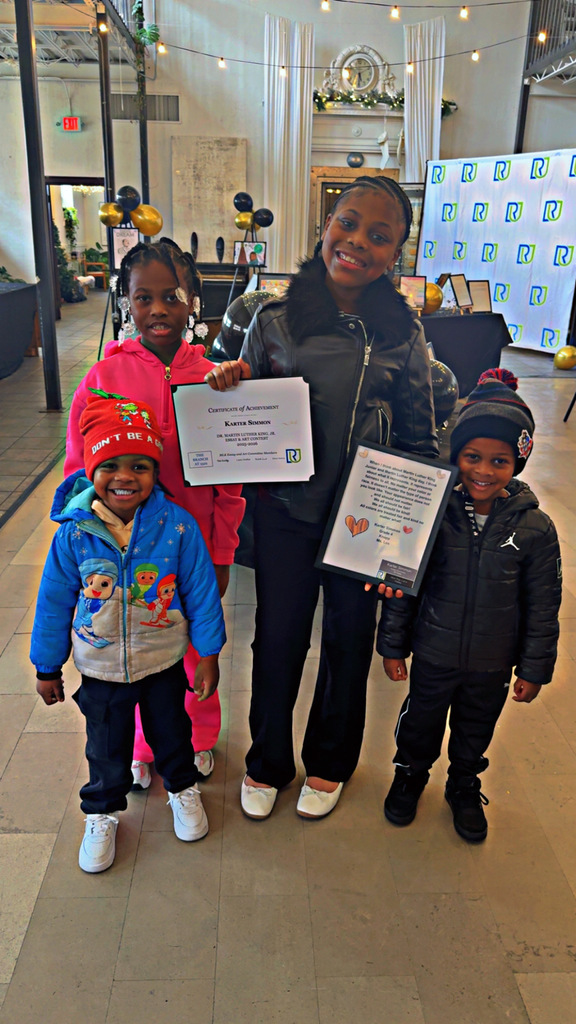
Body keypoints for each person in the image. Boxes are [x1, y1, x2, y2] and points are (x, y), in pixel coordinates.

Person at [207, 175, 438, 820]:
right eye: (348, 222)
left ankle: (331, 761)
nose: (357, 241)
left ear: (396, 255)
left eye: (379, 235)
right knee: (276, 638)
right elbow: (237, 409)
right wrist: (230, 380)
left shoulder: (402, 335)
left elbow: (419, 439)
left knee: (346, 642)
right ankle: (267, 761)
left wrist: (405, 541)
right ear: (326, 223)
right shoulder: (272, 318)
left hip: (363, 523)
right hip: (284, 514)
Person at [65, 240, 245, 788]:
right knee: (137, 642)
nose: (158, 309)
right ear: (127, 304)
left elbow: (230, 484)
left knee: (195, 644)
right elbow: (78, 471)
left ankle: (198, 738)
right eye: (144, 298)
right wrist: (86, 546)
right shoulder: (103, 378)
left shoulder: (215, 377)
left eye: (171, 297)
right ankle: (145, 746)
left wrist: (222, 551)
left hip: (190, 548)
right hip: (122, 549)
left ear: (193, 302)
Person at [31, 394, 226, 873]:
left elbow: (200, 592)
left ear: (155, 473)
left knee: (173, 732)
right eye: (110, 465)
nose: (125, 477)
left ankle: (181, 789)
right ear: (91, 470)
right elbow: (54, 603)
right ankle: (101, 812)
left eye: (140, 466)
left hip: (162, 661)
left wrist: (208, 653)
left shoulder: (176, 526)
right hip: (99, 670)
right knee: (105, 745)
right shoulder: (74, 534)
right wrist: (46, 665)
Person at [377, 369, 562, 842]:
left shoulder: (536, 529)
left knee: (475, 728)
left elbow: (543, 605)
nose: (483, 470)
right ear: (455, 456)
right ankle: (410, 773)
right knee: (421, 719)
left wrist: (534, 668)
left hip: (492, 662)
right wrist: (393, 647)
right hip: (433, 653)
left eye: (499, 461)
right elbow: (403, 581)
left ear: (516, 464)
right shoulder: (432, 515)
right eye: (472, 457)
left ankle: (463, 784)